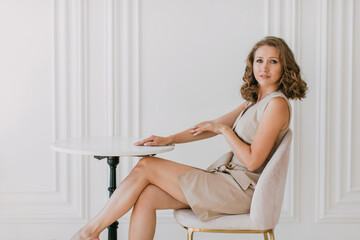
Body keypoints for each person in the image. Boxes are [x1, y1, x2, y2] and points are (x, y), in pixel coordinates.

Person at [71, 36, 307, 240]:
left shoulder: (276, 105)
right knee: (147, 196)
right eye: (259, 60)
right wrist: (169, 138)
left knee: (146, 165)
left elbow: (254, 161)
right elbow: (208, 127)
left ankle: (88, 233)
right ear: (252, 65)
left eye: (273, 61)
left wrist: (224, 131)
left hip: (241, 191)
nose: (264, 67)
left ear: (284, 67)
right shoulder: (254, 101)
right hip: (226, 182)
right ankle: (89, 233)